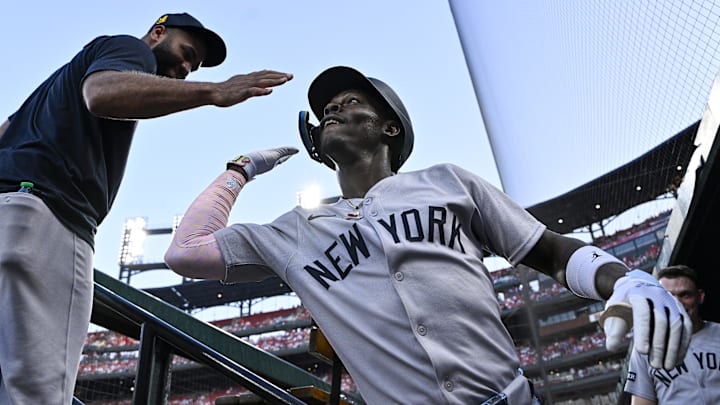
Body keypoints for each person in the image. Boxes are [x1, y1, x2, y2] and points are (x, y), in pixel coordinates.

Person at [164, 66, 691, 404]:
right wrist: (240, 169)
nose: (333, 107)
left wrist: (624, 280)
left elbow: (548, 251)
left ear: (389, 127)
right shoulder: (293, 232)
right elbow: (184, 251)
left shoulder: (448, 181)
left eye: (349, 101)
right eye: (328, 107)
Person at [0, 12, 292, 404]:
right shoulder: (129, 48)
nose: (187, 67)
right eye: (187, 52)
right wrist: (214, 91)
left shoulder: (52, 92)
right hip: (49, 218)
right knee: (38, 394)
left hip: (11, 205)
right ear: (157, 33)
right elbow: (102, 94)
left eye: (196, 67)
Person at [624, 265, 719, 405]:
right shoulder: (644, 350)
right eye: (667, 296)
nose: (676, 303)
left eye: (685, 295)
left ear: (700, 297)